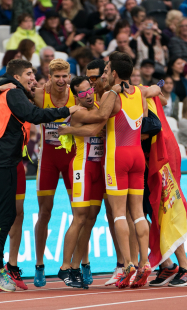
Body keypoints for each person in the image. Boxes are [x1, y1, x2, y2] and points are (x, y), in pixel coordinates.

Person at [57, 51, 162, 289]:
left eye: (105, 72)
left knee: (119, 215)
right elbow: (151, 98)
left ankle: (127, 266)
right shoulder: (139, 92)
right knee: (138, 214)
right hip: (137, 154)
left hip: (117, 157)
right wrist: (158, 88)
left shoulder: (111, 96)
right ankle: (144, 263)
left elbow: (100, 118)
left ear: (114, 73)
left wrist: (68, 129)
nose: (102, 76)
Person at [0, 58, 81, 292]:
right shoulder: (13, 93)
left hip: (9, 161)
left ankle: (2, 266)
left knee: (11, 213)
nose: (33, 78)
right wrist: (67, 110)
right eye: (29, 74)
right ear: (17, 77)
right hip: (2, 162)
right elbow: (33, 115)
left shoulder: (12, 91)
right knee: (2, 216)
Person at [28, 58, 78, 287]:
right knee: (44, 213)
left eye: (64, 76)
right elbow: (20, 92)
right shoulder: (40, 96)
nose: (61, 80)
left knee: (80, 214)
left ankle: (81, 263)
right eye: (56, 76)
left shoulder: (76, 95)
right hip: (48, 160)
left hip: (71, 159)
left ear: (69, 76)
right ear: (49, 77)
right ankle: (39, 264)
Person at [58, 76, 105, 288]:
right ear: (76, 96)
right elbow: (93, 130)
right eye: (83, 93)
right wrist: (108, 115)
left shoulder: (98, 106)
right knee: (79, 218)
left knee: (91, 218)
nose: (89, 95)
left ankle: (76, 265)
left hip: (97, 168)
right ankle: (64, 267)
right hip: (82, 167)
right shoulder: (77, 111)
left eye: (90, 90)